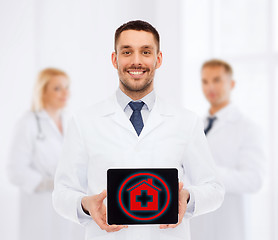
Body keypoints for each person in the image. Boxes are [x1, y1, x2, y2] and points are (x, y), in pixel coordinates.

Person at [52, 20, 225, 240]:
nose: (136, 61)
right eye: (127, 52)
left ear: (158, 59)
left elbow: (214, 189)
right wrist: (85, 205)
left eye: (145, 52)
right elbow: (61, 194)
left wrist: (187, 198)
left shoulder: (186, 121)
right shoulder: (84, 121)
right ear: (115, 59)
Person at [190, 59, 265, 240]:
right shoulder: (195, 125)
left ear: (231, 84)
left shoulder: (246, 127)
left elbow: (254, 180)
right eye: (205, 81)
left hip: (227, 225)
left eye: (217, 80)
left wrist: (209, 176)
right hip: (197, 222)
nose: (210, 88)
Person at [7, 68, 84, 240]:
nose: (65, 93)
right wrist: (46, 184)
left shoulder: (71, 122)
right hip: (40, 205)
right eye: (57, 88)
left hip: (68, 203)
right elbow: (15, 170)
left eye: (67, 87)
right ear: (42, 92)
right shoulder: (28, 123)